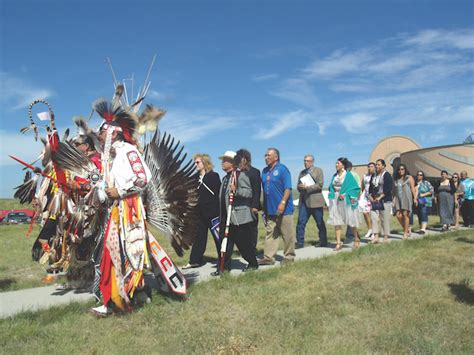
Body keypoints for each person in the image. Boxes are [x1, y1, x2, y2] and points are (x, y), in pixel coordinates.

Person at [212, 150, 258, 275]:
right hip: (225, 217)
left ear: (232, 163)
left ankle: (253, 263)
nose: (222, 163)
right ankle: (223, 268)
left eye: (225, 160)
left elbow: (249, 193)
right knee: (224, 245)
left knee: (243, 245)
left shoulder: (240, 176)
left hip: (238, 217)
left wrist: (236, 191)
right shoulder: (225, 178)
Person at [258, 148, 296, 265]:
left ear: (276, 157)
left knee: (287, 234)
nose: (266, 157)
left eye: (269, 155)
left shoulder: (283, 169)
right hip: (269, 209)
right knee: (271, 233)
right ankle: (268, 258)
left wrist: (283, 203)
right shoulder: (264, 171)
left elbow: (288, 188)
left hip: (284, 209)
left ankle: (289, 257)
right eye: (265, 155)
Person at [183, 154, 221, 269]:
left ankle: (223, 260)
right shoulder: (194, 178)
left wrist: (220, 211)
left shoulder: (213, 176)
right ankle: (195, 260)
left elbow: (218, 194)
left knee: (218, 237)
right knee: (199, 238)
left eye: (197, 162)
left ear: (204, 162)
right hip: (199, 213)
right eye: (195, 162)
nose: (195, 164)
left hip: (213, 213)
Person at [327, 157, 361, 251]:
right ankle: (338, 242)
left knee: (351, 221)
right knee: (336, 221)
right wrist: (332, 192)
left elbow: (355, 188)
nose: (336, 165)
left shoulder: (348, 175)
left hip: (346, 200)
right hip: (336, 200)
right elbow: (331, 186)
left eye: (338, 163)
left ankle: (356, 238)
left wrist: (345, 194)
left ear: (343, 165)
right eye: (336, 163)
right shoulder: (334, 176)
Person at [295, 154, 327, 248]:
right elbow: (298, 185)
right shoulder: (302, 172)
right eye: (304, 161)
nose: (306, 162)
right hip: (304, 201)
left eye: (308, 161)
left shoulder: (318, 170)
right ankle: (300, 242)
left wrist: (307, 187)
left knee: (319, 222)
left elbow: (320, 185)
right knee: (301, 222)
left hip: (315, 201)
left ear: (312, 162)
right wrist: (300, 187)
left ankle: (323, 241)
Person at [235, 149, 262, 253]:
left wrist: (255, 206)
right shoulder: (236, 172)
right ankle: (244, 250)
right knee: (241, 230)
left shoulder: (255, 172)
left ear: (245, 159)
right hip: (240, 207)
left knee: (252, 230)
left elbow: (257, 190)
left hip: (251, 206)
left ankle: (252, 250)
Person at [369, 159, 393, 244]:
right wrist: (371, 197)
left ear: (383, 166)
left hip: (385, 199)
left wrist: (380, 197)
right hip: (375, 200)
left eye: (379, 165)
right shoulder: (374, 175)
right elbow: (370, 188)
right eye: (376, 165)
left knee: (384, 219)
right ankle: (376, 236)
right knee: (374, 217)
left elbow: (389, 188)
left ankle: (385, 236)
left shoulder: (387, 175)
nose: (377, 166)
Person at [392, 164, 417, 240]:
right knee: (398, 215)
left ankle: (405, 233)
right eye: (399, 169)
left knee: (405, 215)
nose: (401, 171)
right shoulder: (396, 179)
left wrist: (415, 198)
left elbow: (413, 189)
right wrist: (393, 199)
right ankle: (407, 228)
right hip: (398, 198)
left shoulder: (409, 178)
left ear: (405, 170)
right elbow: (394, 191)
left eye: (402, 169)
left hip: (407, 198)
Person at [359, 162, 376, 239]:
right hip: (365, 196)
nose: (370, 168)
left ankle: (375, 231)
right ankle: (370, 229)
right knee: (365, 213)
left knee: (373, 214)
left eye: (372, 166)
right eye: (369, 166)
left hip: (373, 197)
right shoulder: (365, 176)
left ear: (375, 167)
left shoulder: (376, 176)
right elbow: (362, 186)